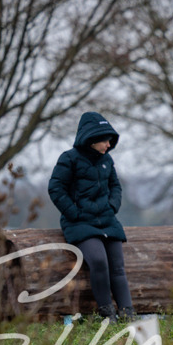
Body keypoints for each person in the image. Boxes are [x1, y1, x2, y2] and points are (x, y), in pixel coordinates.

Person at [48, 111, 134, 321]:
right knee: (99, 261)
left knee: (118, 267)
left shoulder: (107, 160)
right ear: (92, 138)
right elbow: (56, 188)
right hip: (80, 224)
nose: (108, 144)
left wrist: (112, 206)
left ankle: (128, 314)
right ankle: (107, 314)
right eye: (105, 140)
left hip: (107, 220)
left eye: (110, 140)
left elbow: (115, 186)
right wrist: (74, 213)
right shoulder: (69, 158)